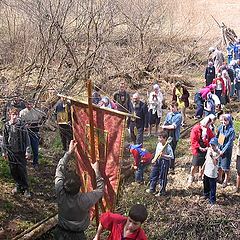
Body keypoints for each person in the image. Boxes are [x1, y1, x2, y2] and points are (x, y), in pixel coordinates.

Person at [54, 140, 104, 240]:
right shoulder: (85, 200)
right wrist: (97, 171)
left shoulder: (60, 191)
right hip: (78, 236)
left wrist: (69, 152)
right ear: (80, 187)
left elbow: (59, 169)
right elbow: (101, 190)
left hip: (60, 232)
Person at [2, 108, 31, 197]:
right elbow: (4, 140)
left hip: (21, 152)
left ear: (18, 115)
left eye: (16, 114)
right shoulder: (6, 126)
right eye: (12, 114)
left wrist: (27, 151)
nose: (14, 116)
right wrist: (4, 152)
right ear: (9, 115)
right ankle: (18, 185)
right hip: (11, 152)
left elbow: (27, 139)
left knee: (22, 170)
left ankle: (26, 188)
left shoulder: (21, 126)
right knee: (13, 170)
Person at [188, 116, 215, 185]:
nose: (209, 125)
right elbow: (193, 139)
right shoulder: (196, 128)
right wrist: (199, 147)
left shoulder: (208, 129)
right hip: (197, 148)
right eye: (208, 124)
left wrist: (209, 146)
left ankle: (200, 176)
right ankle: (191, 176)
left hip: (205, 147)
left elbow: (212, 137)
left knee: (203, 164)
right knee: (195, 164)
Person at [20, 100, 46, 168]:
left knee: (35, 148)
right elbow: (20, 122)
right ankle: (24, 162)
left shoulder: (37, 111)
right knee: (25, 148)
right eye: (27, 104)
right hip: (25, 132)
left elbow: (44, 116)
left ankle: (35, 162)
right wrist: (24, 125)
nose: (29, 106)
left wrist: (40, 123)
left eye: (30, 104)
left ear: (32, 104)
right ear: (25, 104)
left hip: (35, 131)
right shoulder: (22, 112)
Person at [146, 130, 174, 196]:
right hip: (157, 161)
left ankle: (162, 191)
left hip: (164, 162)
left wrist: (164, 155)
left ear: (165, 138)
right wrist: (154, 159)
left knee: (162, 177)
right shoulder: (158, 144)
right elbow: (157, 152)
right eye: (158, 137)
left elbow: (172, 156)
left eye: (161, 138)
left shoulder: (168, 146)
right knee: (153, 175)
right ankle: (152, 189)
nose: (159, 139)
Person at [162, 101, 182, 173]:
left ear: (176, 107)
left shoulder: (179, 116)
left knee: (171, 151)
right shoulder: (169, 114)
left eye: (173, 107)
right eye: (171, 107)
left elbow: (173, 126)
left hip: (173, 135)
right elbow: (165, 122)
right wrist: (164, 126)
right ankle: (165, 165)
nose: (172, 109)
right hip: (167, 134)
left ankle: (171, 167)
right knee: (165, 149)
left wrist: (165, 126)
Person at [200, 137, 221, 205]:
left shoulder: (218, 153)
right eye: (211, 144)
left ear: (216, 145)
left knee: (212, 187)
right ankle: (206, 195)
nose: (212, 146)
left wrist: (212, 156)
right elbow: (206, 160)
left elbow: (215, 163)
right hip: (206, 171)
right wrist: (202, 168)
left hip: (212, 173)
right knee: (205, 184)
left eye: (213, 145)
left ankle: (212, 200)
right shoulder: (209, 150)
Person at [217, 114, 235, 188]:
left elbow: (229, 142)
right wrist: (217, 148)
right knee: (219, 165)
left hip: (227, 150)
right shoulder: (221, 127)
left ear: (229, 121)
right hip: (220, 148)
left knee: (226, 167)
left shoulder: (231, 130)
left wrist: (223, 151)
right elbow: (218, 137)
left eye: (225, 120)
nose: (224, 122)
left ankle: (226, 181)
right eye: (223, 120)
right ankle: (219, 178)